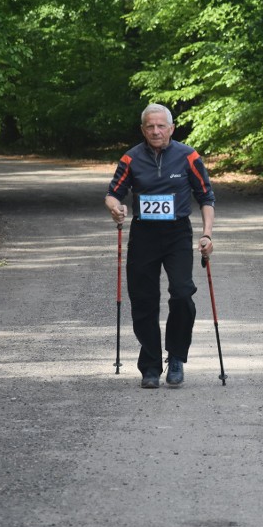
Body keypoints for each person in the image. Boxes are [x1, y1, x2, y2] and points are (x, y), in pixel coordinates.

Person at [105, 104, 215, 389]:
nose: (155, 131)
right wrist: (116, 209)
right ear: (143, 129)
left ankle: (176, 356)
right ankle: (150, 365)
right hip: (144, 234)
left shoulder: (188, 156)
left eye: (161, 126)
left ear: (171, 128)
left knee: (181, 294)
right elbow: (112, 194)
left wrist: (207, 235)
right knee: (143, 300)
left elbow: (206, 197)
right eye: (150, 127)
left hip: (177, 233)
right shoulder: (131, 158)